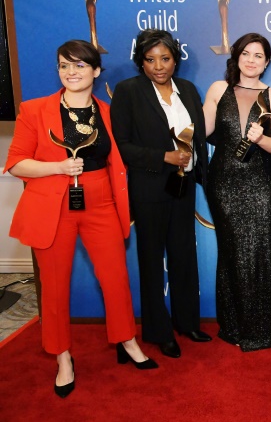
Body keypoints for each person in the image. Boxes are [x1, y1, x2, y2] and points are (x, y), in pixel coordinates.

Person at [4, 40, 157, 398]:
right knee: (55, 285)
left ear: (96, 71)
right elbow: (16, 163)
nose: (70, 72)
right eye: (64, 65)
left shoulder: (109, 112)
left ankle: (127, 341)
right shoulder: (34, 110)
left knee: (115, 278)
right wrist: (57, 167)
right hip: (53, 204)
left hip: (101, 201)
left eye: (79, 65)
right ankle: (62, 357)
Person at [111, 29, 212, 358]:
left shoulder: (188, 90)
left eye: (165, 58)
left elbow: (197, 137)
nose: (158, 66)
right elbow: (122, 145)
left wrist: (199, 170)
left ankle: (188, 322)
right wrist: (163, 157)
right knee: (152, 261)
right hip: (150, 187)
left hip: (183, 185)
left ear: (175, 60)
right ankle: (159, 331)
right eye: (150, 59)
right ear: (140, 62)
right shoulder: (128, 91)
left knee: (184, 256)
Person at [201, 33, 271, 351]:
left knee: (260, 251)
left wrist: (260, 139)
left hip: (261, 183)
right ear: (236, 57)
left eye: (259, 55)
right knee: (231, 252)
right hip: (223, 183)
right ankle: (234, 326)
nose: (251, 60)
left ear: (267, 62)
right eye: (246, 53)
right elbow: (204, 131)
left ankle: (262, 329)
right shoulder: (217, 89)